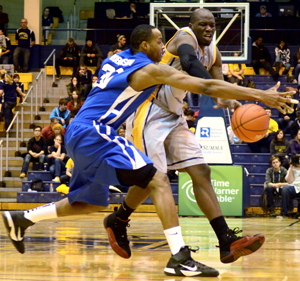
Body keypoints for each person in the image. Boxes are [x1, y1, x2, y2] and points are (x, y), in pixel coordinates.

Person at [2, 24, 295, 278]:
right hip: (96, 131)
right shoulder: (148, 70)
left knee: (89, 202)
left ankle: (23, 219)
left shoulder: (116, 59)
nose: (162, 45)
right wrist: (260, 95)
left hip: (78, 134)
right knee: (157, 178)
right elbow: (204, 84)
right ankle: (180, 257)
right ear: (144, 45)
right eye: (157, 41)